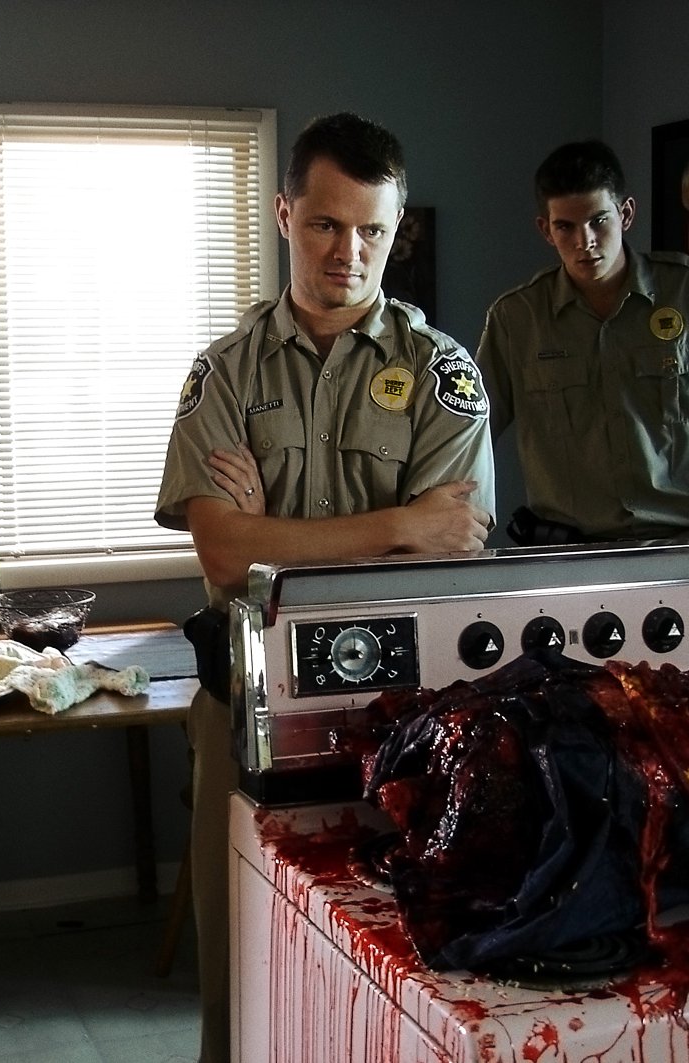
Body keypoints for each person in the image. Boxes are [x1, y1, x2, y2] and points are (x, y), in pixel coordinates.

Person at [154, 112, 495, 1063]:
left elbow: (444, 567)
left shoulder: (441, 374)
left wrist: (276, 536)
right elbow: (225, 559)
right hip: (247, 711)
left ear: (396, 230)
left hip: (401, 721)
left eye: (371, 230)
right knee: (240, 968)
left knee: (389, 968)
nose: (348, 252)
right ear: (283, 215)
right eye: (324, 225)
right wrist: (394, 523)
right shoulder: (223, 373)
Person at [475, 139, 689, 545]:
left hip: (686, 545)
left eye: (598, 221)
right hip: (570, 554)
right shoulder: (516, 318)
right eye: (565, 227)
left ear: (626, 214)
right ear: (546, 230)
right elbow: (470, 430)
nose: (585, 241)